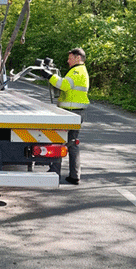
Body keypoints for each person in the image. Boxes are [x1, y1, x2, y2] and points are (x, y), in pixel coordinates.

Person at [44, 48, 90, 184]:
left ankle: (54, 172)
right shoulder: (81, 71)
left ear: (77, 58)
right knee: (72, 143)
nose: (67, 60)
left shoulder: (76, 71)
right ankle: (75, 175)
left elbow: (64, 85)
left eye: (70, 58)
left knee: (59, 141)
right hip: (77, 112)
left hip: (71, 112)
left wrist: (49, 76)